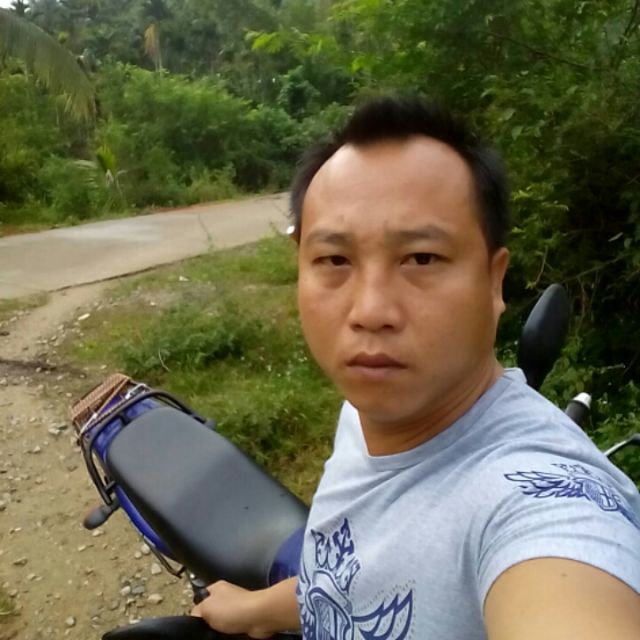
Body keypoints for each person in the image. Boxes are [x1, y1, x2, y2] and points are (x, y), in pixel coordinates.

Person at [192, 96, 640, 639]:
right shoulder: (366, 409)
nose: (370, 311)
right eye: (334, 260)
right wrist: (258, 610)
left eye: (421, 258)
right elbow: (363, 581)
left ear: (494, 281)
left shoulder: (539, 506)